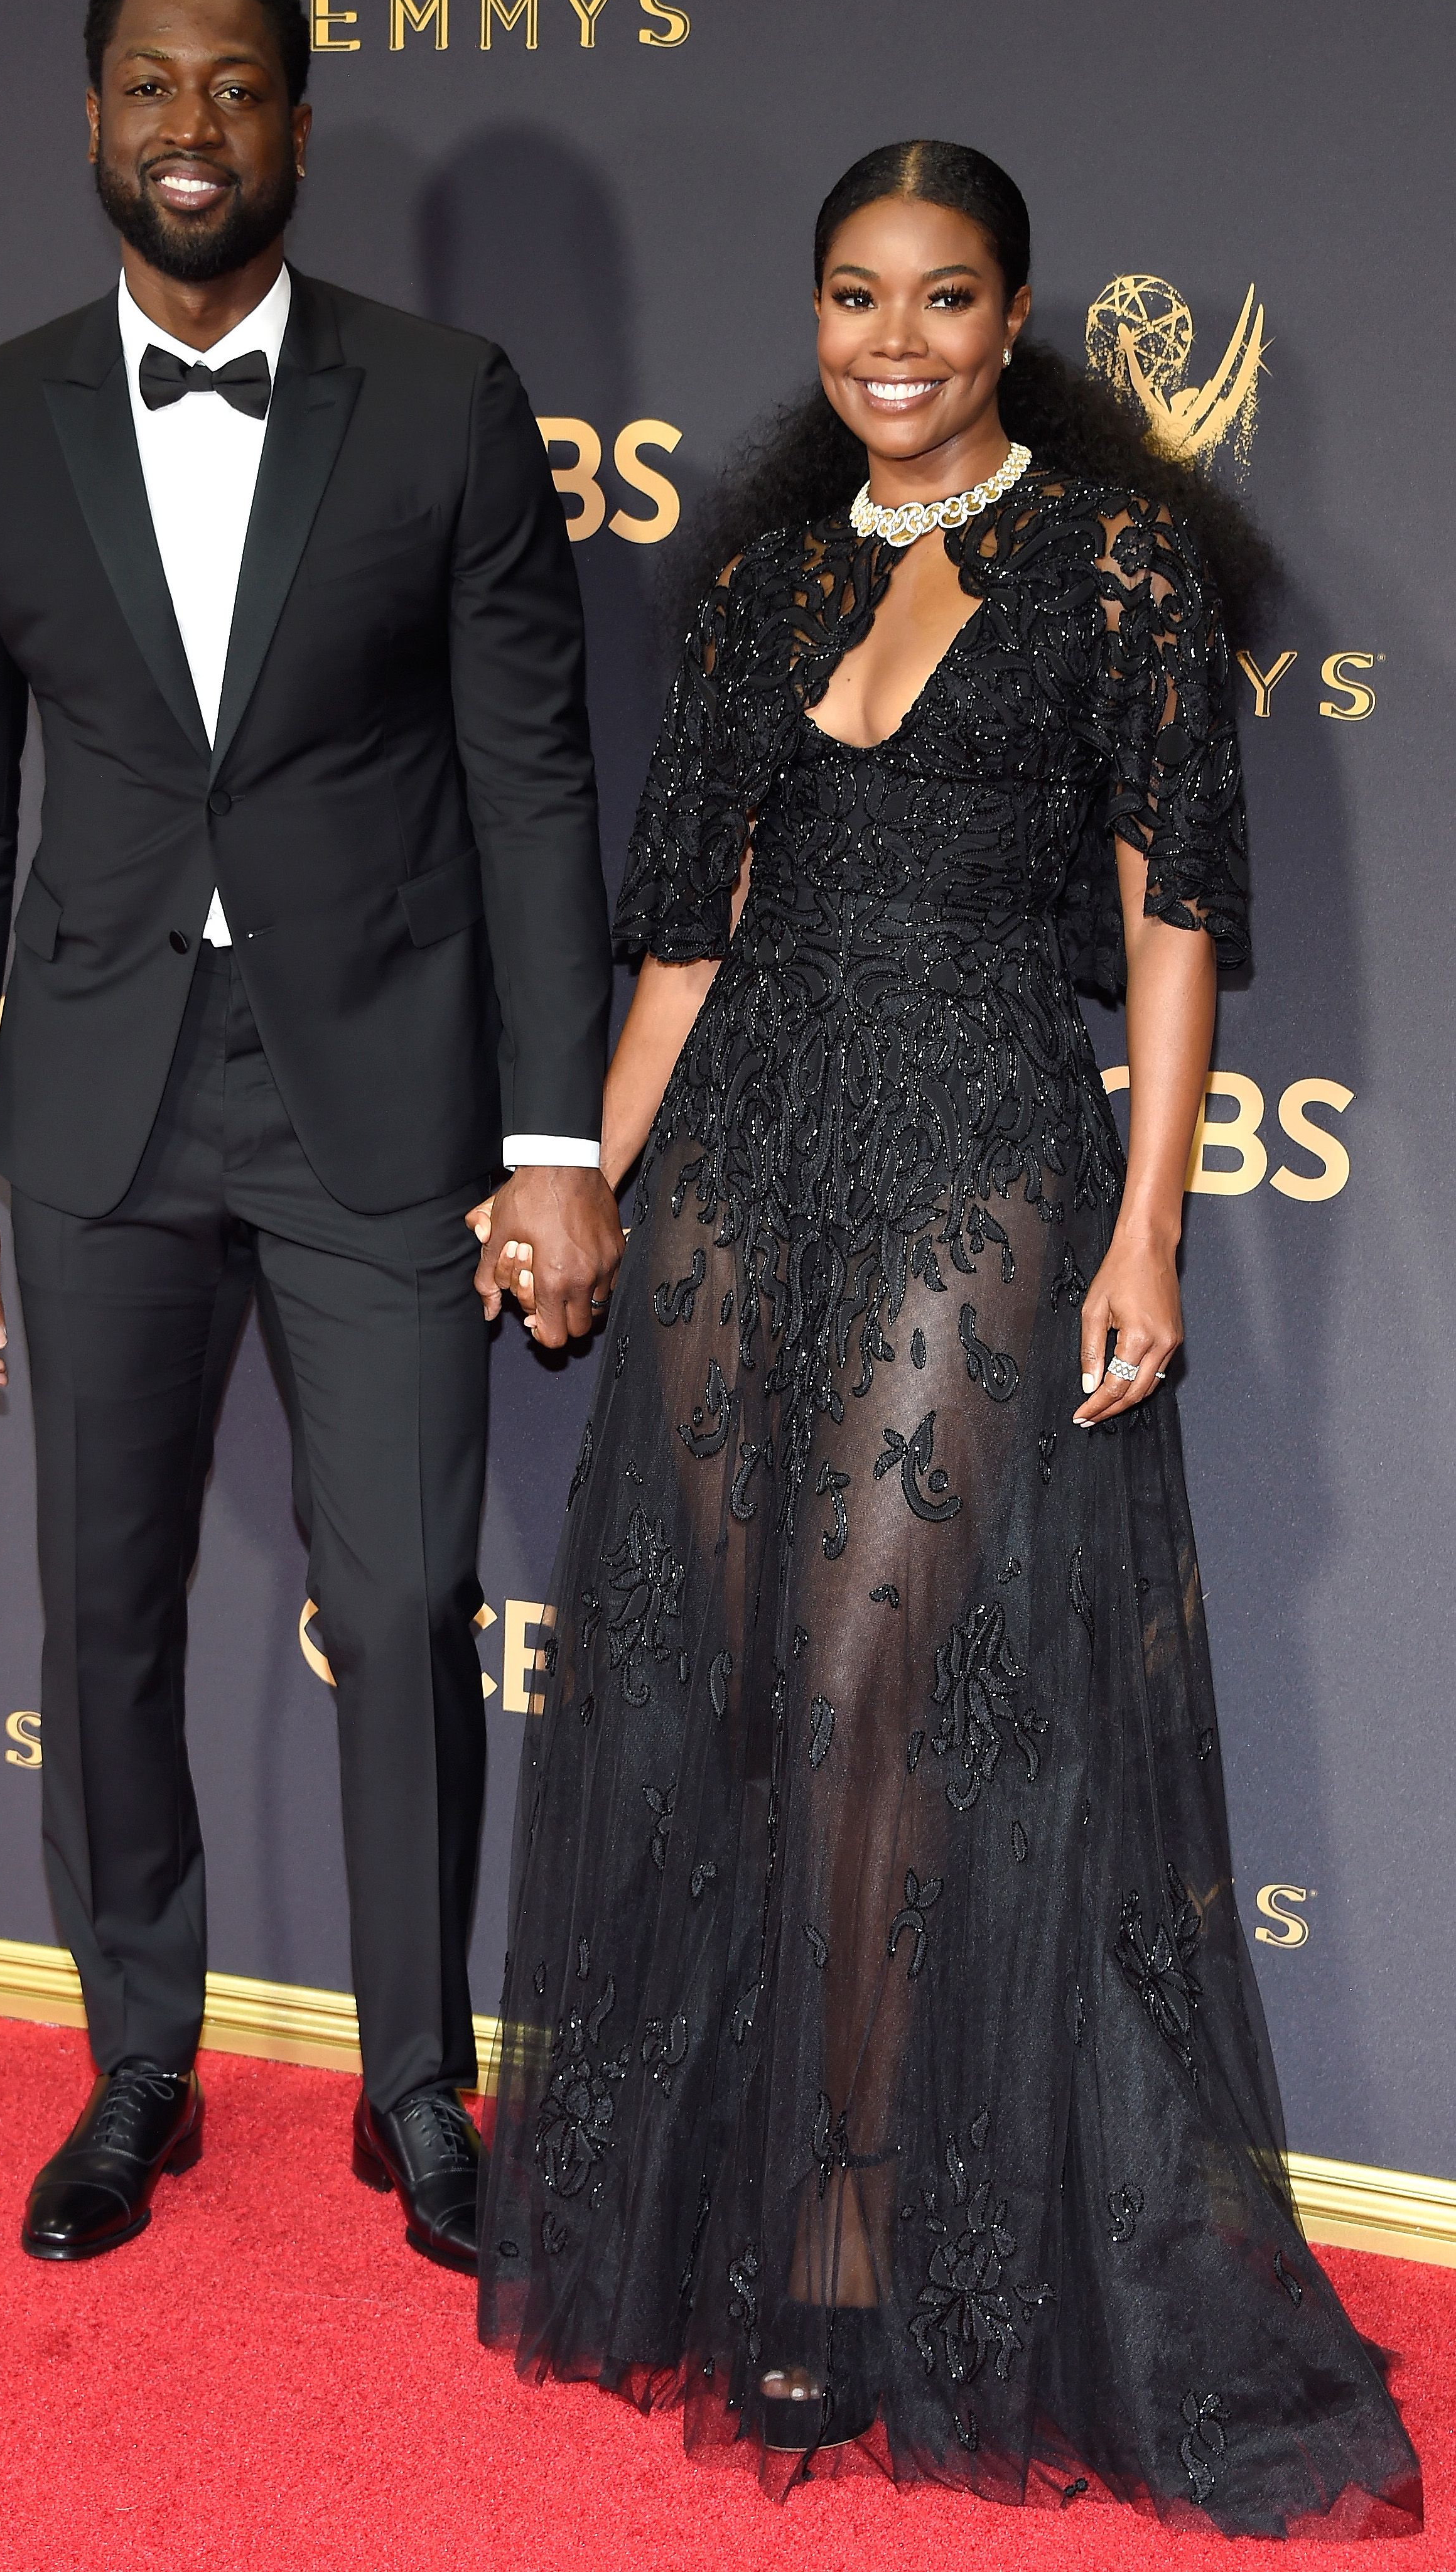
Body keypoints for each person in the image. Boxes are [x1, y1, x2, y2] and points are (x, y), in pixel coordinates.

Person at [476, 142, 1421, 2534]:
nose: (890, 341)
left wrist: (1149, 1229)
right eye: (852, 296)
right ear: (813, 316)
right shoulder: (762, 582)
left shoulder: (1115, 561)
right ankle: (736, 2197)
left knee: (868, 1704)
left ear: (1012, 321)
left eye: (942, 297)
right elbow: (684, 939)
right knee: (736, 1704)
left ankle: (846, 2237)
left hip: (977, 1159)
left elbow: (1173, 916)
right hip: (737, 1161)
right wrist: (580, 1172)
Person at [0, 0, 623, 2271]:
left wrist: (554, 1137)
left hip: (378, 1097)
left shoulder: (443, 400)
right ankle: (136, 2062)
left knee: (401, 1596)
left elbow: (531, 784)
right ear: (93, 120)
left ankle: (417, 2087)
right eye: (147, 85)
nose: (187, 127)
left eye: (231, 88)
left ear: (298, 124)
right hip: (96, 1103)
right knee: (95, 1605)